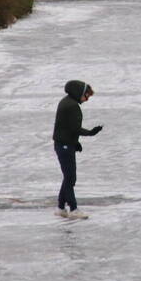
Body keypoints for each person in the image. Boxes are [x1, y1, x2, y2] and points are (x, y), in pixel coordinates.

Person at [52, 80, 103, 219]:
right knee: (70, 178)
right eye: (86, 96)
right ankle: (73, 209)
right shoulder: (72, 106)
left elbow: (66, 127)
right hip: (64, 145)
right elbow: (74, 128)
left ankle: (61, 208)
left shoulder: (66, 101)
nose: (86, 100)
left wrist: (75, 142)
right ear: (80, 93)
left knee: (68, 177)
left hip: (64, 143)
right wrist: (91, 133)